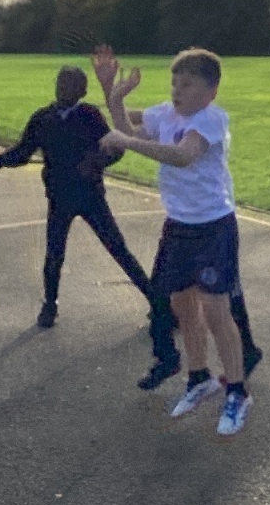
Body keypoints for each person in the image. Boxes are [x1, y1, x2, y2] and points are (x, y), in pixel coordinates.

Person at [98, 46, 253, 436]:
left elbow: (183, 156)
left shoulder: (211, 119)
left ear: (211, 91)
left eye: (187, 84)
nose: (177, 90)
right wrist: (114, 96)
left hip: (213, 227)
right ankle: (198, 378)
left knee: (216, 311)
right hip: (178, 226)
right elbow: (127, 129)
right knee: (182, 305)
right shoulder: (165, 114)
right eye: (174, 83)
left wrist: (125, 141)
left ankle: (237, 391)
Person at [0, 65, 151, 327]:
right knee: (54, 254)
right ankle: (50, 304)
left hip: (90, 195)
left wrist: (95, 161)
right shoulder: (43, 118)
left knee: (117, 248)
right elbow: (23, 152)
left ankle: (157, 301)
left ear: (82, 91)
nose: (63, 88)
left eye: (71, 85)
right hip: (59, 197)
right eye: (60, 82)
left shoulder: (90, 115)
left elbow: (115, 148)